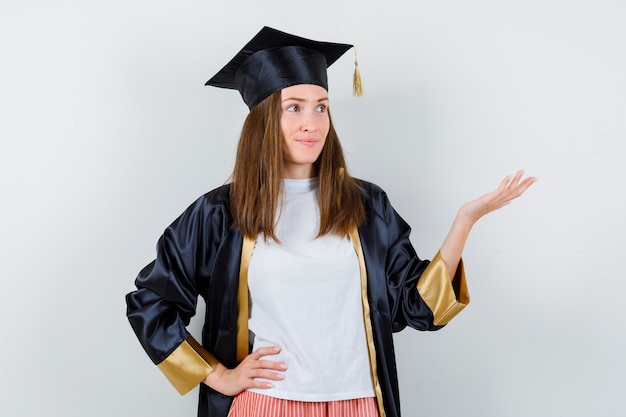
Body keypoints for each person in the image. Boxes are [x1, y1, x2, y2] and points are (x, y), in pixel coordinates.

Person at [126, 26, 536, 417]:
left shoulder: (366, 206)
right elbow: (152, 301)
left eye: (321, 107)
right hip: (268, 403)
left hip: (358, 400)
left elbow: (419, 309)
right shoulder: (222, 213)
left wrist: (464, 222)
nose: (313, 122)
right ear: (263, 120)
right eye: (294, 108)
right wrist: (218, 376)